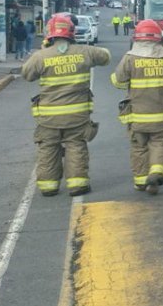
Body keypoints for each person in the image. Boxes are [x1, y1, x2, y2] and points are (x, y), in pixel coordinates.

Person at [21, 13, 111, 197]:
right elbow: (106, 57)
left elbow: (27, 74)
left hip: (48, 117)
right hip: (77, 115)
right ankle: (78, 185)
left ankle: (48, 187)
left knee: (48, 148)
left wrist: (44, 50)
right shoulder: (84, 52)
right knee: (76, 146)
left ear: (50, 33)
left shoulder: (41, 56)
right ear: (72, 32)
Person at [111, 19, 163, 195]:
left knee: (139, 147)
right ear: (159, 38)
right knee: (159, 143)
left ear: (137, 38)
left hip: (138, 115)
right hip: (162, 115)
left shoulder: (130, 58)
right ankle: (157, 172)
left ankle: (141, 181)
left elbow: (118, 81)